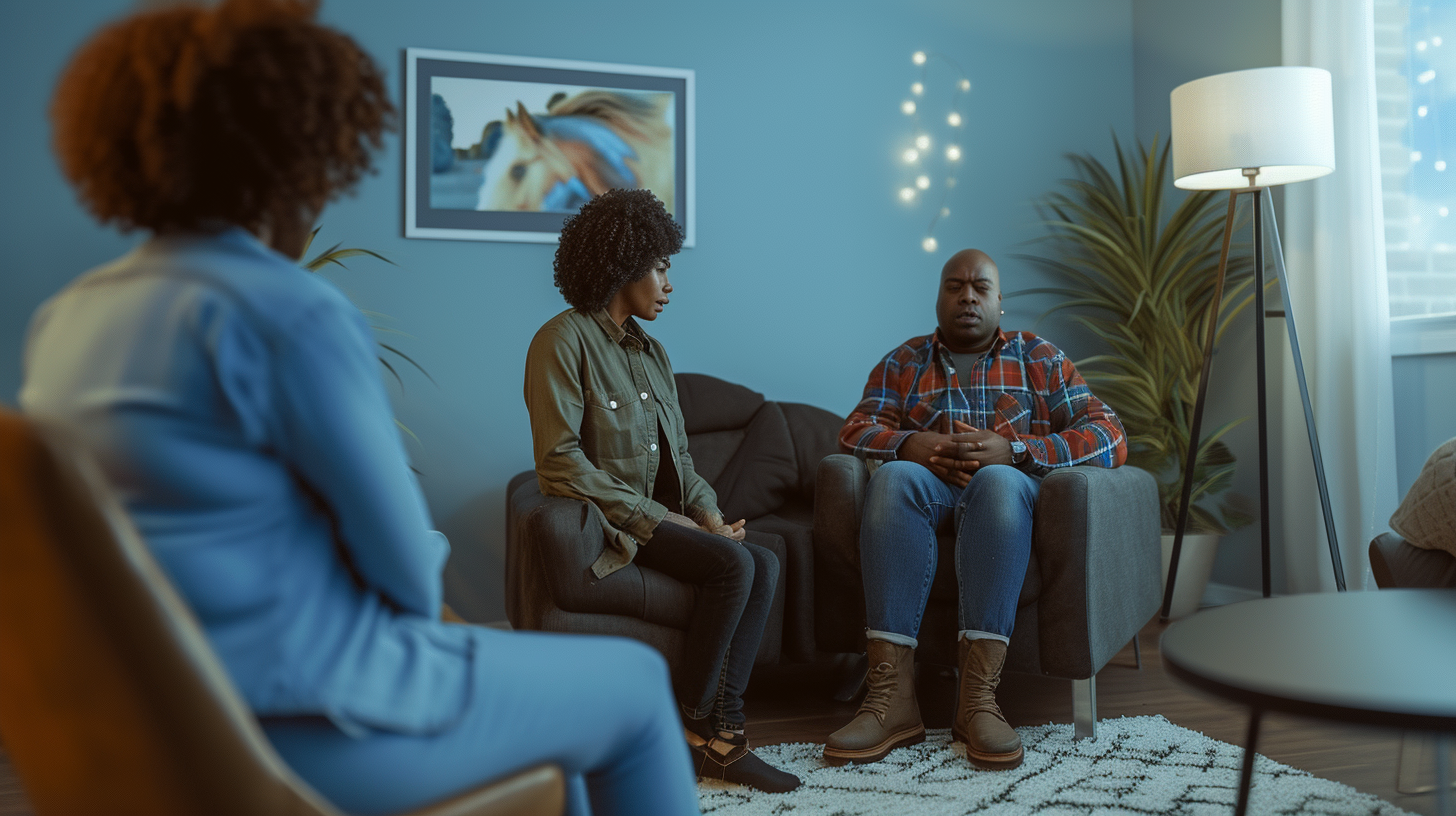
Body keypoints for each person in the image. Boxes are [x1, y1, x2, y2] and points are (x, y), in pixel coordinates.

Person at [20, 3, 699, 815]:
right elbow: (406, 576)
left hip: (151, 723)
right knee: (631, 685)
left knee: (563, 719)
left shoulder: (68, 319)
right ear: (303, 154)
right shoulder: (287, 310)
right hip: (314, 719)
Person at [524, 188, 801, 793]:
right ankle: (698, 725)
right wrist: (659, 518)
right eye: (662, 266)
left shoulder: (653, 354)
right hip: (615, 526)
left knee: (763, 559)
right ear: (625, 265)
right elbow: (559, 462)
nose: (670, 282)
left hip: (662, 520)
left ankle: (721, 737)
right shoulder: (561, 341)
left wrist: (706, 513)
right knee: (734, 567)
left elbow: (682, 459)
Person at [823, 248, 1126, 771]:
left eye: (980, 287)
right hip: (928, 495)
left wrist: (1019, 451)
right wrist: (907, 443)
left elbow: (1111, 435)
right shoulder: (903, 362)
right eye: (954, 285)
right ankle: (892, 701)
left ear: (999, 302)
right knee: (894, 478)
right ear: (939, 297)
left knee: (998, 483)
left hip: (1009, 499)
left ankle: (978, 701)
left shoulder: (1041, 358)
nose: (967, 296)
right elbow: (854, 431)